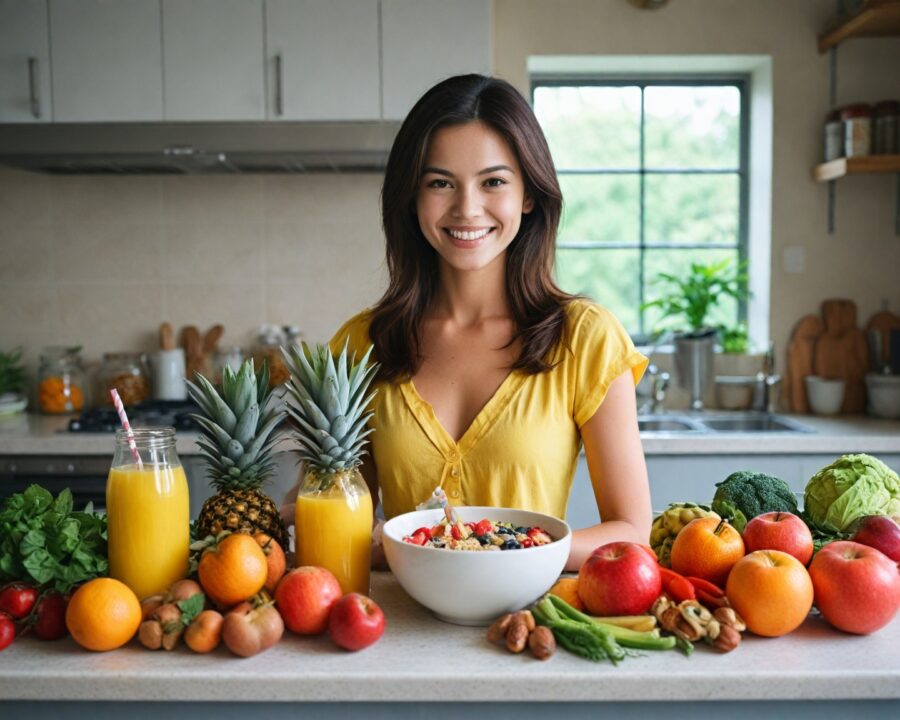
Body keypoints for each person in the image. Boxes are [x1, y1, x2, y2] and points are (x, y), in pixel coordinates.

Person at [297, 74, 652, 572]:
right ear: (413, 197)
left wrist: (501, 551)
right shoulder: (361, 346)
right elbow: (326, 511)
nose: (467, 208)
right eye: (440, 183)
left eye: (493, 182)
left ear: (528, 195)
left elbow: (632, 533)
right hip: (395, 634)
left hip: (531, 627)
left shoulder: (587, 339)